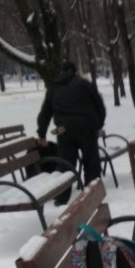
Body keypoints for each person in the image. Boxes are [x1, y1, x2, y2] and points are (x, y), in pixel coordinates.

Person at [36, 60, 106, 205]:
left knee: (66, 165)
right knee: (91, 163)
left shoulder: (53, 87)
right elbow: (99, 105)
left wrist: (41, 134)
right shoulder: (84, 84)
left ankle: (61, 200)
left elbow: (45, 113)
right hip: (86, 128)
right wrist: (98, 125)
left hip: (64, 131)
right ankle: (92, 197)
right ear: (75, 71)